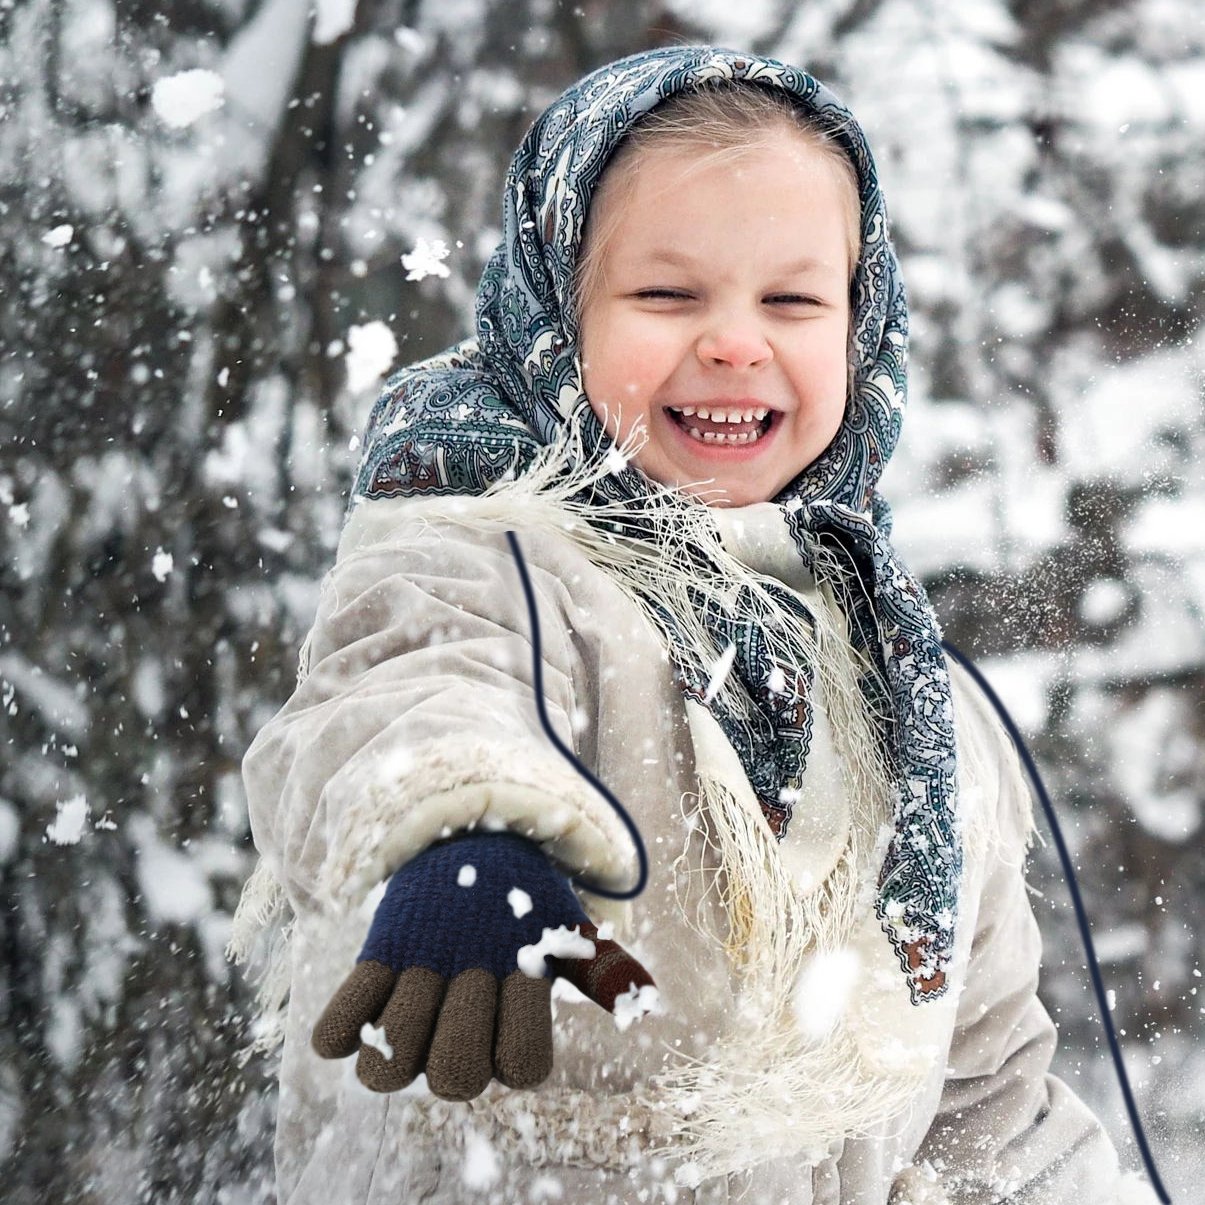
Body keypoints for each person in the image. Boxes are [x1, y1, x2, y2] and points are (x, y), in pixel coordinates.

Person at [231, 45, 1162, 1205]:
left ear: (860, 328)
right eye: (666, 295)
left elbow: (987, 1106)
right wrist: (465, 828)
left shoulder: (915, 707)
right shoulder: (485, 557)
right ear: (554, 310)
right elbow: (402, 686)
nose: (733, 341)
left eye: (791, 299)